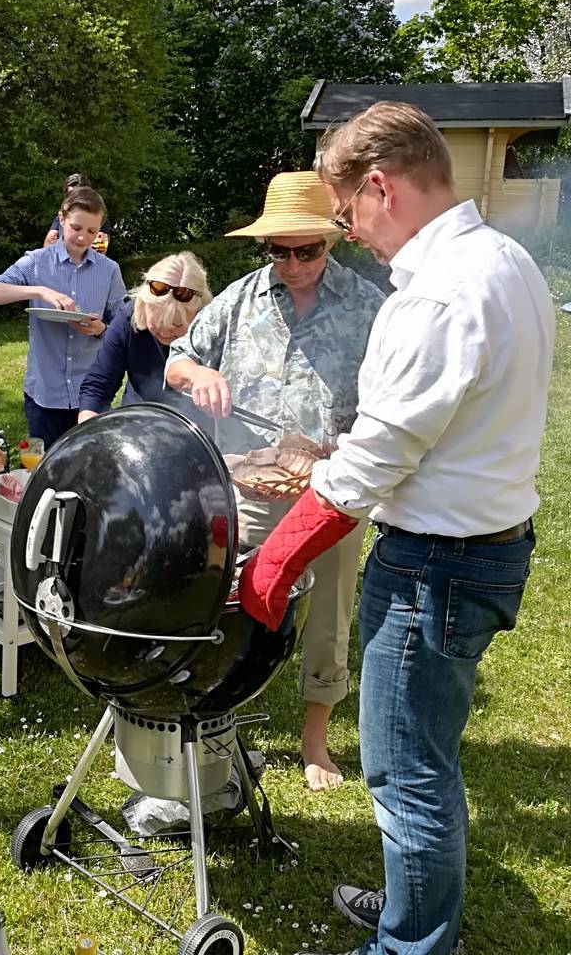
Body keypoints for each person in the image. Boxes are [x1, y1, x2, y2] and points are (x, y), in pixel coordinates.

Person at [238, 104, 553, 955]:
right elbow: (430, 428)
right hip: (485, 545)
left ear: (379, 185)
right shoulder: (507, 260)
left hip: (434, 565)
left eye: (346, 216)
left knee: (407, 774)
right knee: (425, 758)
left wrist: (273, 562)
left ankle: (411, 945)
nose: (354, 234)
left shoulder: (442, 292)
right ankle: (412, 911)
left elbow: (375, 463)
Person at [166, 170, 385, 791]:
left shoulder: (369, 306)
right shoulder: (237, 301)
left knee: (328, 612)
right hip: (252, 489)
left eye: (306, 250)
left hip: (334, 489)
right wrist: (196, 377)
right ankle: (224, 714)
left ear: (331, 240)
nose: (292, 263)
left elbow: (394, 395)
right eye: (278, 250)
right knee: (235, 603)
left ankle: (315, 739)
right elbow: (175, 357)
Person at [0, 185, 126, 448]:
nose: (83, 238)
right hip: (45, 394)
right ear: (61, 219)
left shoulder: (109, 270)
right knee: (46, 474)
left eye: (92, 231)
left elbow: (124, 324)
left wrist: (101, 329)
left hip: (91, 395)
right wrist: (40, 290)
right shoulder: (36, 262)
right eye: (76, 228)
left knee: (91, 472)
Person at [78, 252, 212, 421]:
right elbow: (99, 385)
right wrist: (89, 426)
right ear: (143, 306)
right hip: (139, 422)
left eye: (176, 326)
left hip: (198, 429)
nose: (164, 332)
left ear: (197, 314)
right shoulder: (128, 317)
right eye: (156, 322)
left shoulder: (213, 327)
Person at [43, 174, 114, 253]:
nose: (73, 198)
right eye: (69, 195)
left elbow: (101, 248)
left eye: (91, 231)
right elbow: (48, 245)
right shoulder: (61, 217)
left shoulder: (97, 218)